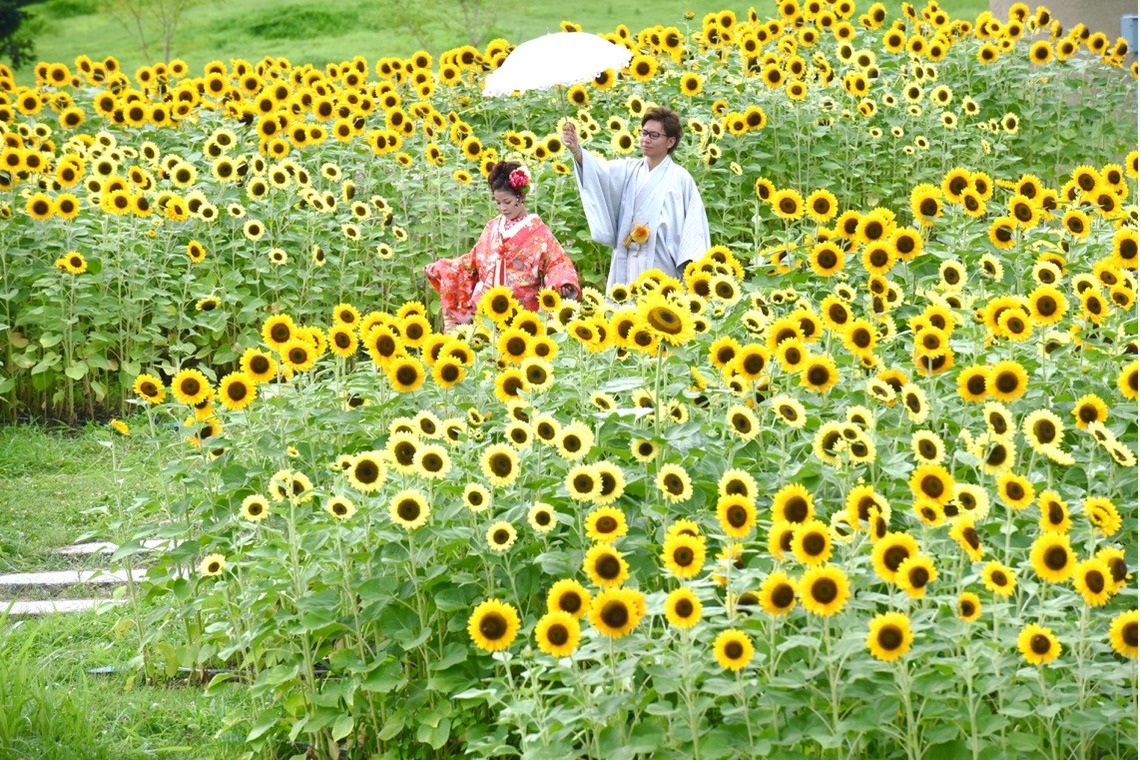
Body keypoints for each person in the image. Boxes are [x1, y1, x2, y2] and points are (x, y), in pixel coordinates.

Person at [561, 105, 710, 292]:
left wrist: (691, 269)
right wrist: (576, 149)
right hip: (628, 259)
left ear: (670, 142)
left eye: (653, 135)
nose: (645, 139)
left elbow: (693, 228)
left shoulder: (681, 179)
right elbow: (600, 172)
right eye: (644, 133)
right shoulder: (630, 169)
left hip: (661, 261)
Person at [426, 161, 580, 330]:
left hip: (522, 315)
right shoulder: (492, 227)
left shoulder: (540, 234)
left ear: (522, 196)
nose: (502, 208)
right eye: (498, 202)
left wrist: (563, 283)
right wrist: (443, 268)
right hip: (486, 309)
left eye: (506, 202)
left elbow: (557, 264)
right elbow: (472, 262)